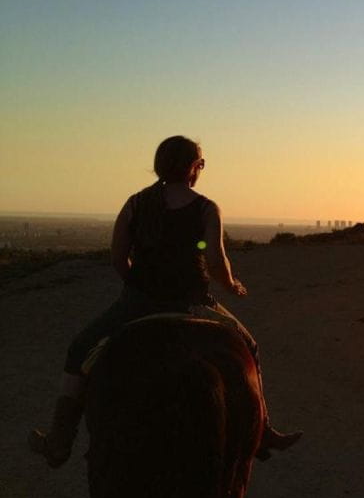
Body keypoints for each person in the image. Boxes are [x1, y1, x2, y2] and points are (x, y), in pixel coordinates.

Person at [29, 135, 301, 467]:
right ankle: (263, 430)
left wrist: (136, 286)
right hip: (193, 302)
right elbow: (216, 261)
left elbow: (118, 257)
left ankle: (59, 440)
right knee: (249, 346)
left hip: (139, 300)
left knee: (79, 350)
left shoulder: (135, 203)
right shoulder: (205, 207)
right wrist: (231, 285)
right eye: (201, 163)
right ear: (194, 166)